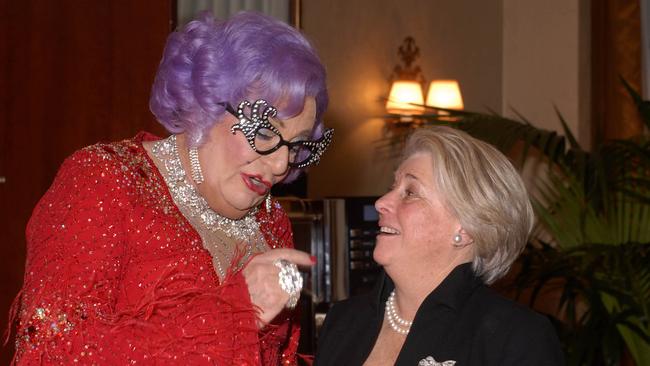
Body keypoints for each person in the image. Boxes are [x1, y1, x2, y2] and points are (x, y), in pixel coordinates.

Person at [10, 11, 332, 365]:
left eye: (297, 146)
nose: (280, 165)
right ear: (206, 103)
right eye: (267, 133)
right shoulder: (106, 180)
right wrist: (235, 312)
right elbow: (49, 350)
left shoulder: (272, 221)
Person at [315, 126, 564, 365]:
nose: (381, 202)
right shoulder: (343, 320)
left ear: (466, 229)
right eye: (392, 187)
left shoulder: (515, 337)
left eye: (410, 192)